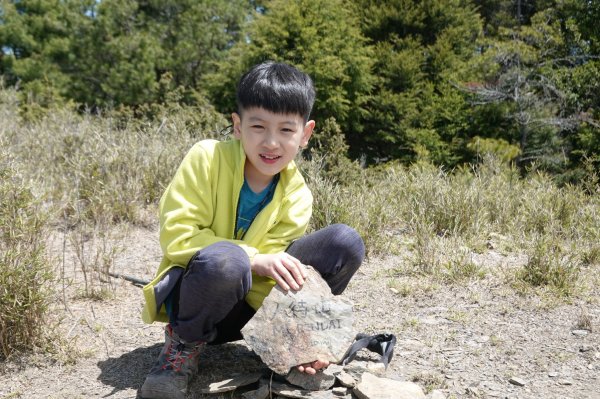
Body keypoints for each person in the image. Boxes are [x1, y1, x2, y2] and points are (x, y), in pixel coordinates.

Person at [139, 61, 365, 399]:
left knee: (344, 242)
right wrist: (254, 258)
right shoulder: (206, 158)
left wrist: (300, 333)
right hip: (197, 299)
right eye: (258, 126)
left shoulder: (299, 195)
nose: (272, 143)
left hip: (248, 309)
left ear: (305, 134)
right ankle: (182, 350)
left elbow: (271, 279)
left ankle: (277, 350)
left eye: (287, 130)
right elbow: (178, 236)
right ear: (238, 126)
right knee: (229, 260)